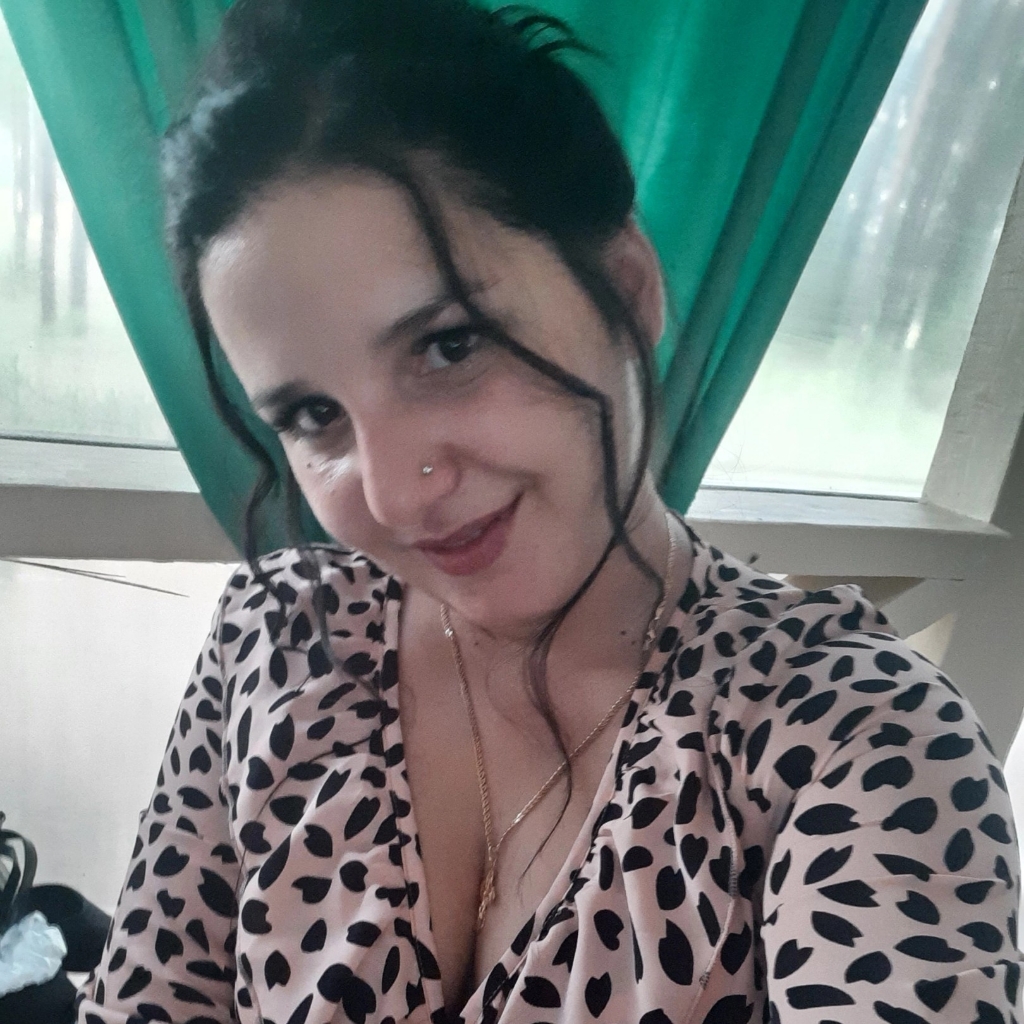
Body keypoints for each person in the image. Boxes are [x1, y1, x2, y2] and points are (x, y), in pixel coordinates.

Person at [77, 0, 1023, 1021]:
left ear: (626, 289)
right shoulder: (279, 639)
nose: (394, 493)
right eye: (314, 416)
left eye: (447, 346)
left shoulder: (857, 735)